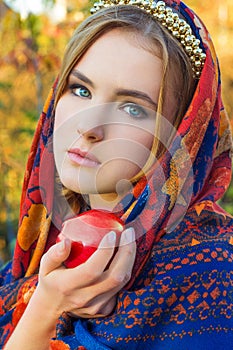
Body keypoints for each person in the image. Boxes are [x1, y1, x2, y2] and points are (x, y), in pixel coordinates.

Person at [1, 0, 233, 349]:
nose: (89, 126)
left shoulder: (215, 274)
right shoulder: (31, 259)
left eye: (132, 108)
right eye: (80, 89)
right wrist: (47, 305)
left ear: (183, 135)